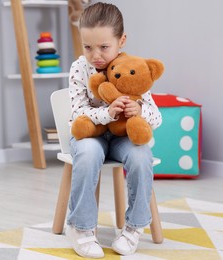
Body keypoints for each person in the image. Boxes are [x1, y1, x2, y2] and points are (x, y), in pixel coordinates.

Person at [66, 2, 162, 258]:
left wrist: (139, 112)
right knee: (87, 154)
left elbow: (156, 117)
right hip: (90, 134)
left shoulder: (132, 69)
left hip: (120, 137)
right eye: (88, 47)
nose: (95, 55)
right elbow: (77, 113)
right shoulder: (80, 68)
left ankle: (134, 227)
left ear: (122, 41)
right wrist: (107, 113)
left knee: (141, 156)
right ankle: (81, 228)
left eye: (104, 47)